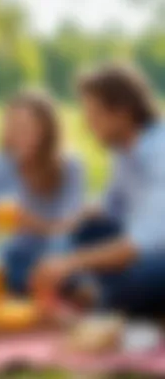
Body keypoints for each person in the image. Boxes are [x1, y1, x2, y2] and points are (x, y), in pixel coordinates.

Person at [34, 64, 165, 316]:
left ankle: (102, 299)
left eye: (94, 114)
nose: (88, 124)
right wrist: (63, 234)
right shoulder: (124, 151)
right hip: (138, 248)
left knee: (140, 277)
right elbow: (109, 207)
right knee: (86, 231)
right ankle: (100, 296)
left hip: (155, 256)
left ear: (122, 112)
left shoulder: (159, 153)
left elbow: (141, 244)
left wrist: (69, 262)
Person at [0, 91, 85, 293]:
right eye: (13, 126)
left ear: (46, 130)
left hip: (55, 253)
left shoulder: (70, 165)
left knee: (59, 250)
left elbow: (71, 227)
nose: (18, 133)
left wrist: (31, 222)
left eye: (26, 127)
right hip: (15, 253)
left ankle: (44, 289)